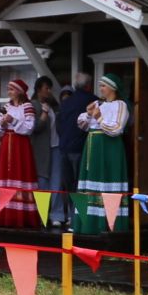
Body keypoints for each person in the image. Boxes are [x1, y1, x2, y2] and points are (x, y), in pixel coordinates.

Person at [76, 73, 130, 235]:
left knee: (107, 182)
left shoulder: (120, 105)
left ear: (112, 88)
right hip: (92, 147)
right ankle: (88, 224)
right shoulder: (96, 103)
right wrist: (88, 114)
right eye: (100, 85)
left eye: (103, 86)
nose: (100, 88)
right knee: (91, 184)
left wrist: (99, 117)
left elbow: (116, 129)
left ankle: (108, 223)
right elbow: (82, 125)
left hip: (109, 148)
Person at [0, 78, 41, 227]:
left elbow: (29, 128)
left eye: (12, 89)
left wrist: (12, 121)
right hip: (7, 144)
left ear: (19, 91)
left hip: (21, 145)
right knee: (6, 177)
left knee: (21, 174)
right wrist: (2, 123)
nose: (9, 92)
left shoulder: (27, 106)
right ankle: (5, 214)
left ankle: (22, 216)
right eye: (9, 89)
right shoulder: (6, 106)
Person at [52, 72, 96, 228]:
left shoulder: (66, 102)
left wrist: (64, 139)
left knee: (70, 185)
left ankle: (72, 217)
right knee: (81, 184)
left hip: (64, 148)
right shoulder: (92, 101)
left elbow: (59, 126)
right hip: (81, 149)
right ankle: (80, 218)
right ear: (89, 85)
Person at [30, 77, 58, 193]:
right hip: (41, 149)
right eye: (47, 88)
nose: (49, 91)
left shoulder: (51, 105)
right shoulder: (33, 105)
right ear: (39, 89)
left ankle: (55, 209)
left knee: (56, 179)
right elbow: (35, 127)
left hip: (55, 146)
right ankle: (43, 210)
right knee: (42, 178)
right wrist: (44, 114)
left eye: (50, 89)